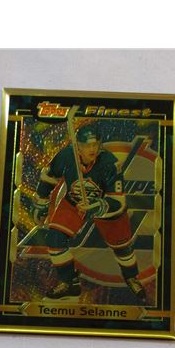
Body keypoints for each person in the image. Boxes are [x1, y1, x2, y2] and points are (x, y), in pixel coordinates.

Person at [31, 125, 146, 303]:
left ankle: (131, 277)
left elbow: (117, 201)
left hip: (105, 207)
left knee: (123, 248)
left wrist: (97, 206)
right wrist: (41, 202)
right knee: (54, 239)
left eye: (95, 144)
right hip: (75, 201)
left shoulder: (110, 163)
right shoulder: (66, 155)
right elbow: (49, 178)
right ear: (77, 146)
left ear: (100, 144)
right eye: (86, 145)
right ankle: (69, 283)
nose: (92, 149)